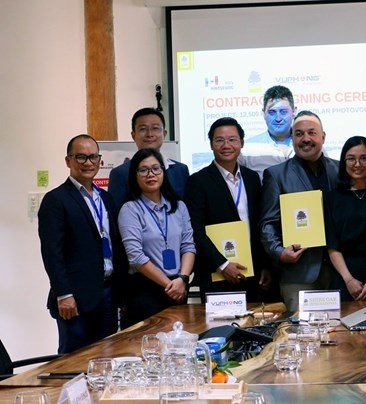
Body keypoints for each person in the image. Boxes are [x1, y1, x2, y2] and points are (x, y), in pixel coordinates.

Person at [38, 134, 125, 354]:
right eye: (81, 157)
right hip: (75, 299)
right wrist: (64, 294)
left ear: (100, 161)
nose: (88, 162)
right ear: (68, 161)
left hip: (107, 293)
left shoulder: (106, 198)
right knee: (73, 361)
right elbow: (52, 253)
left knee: (106, 357)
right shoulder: (56, 200)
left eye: (93, 157)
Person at [184, 117, 274, 303]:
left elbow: (258, 224)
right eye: (219, 140)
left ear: (242, 143)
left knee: (253, 320)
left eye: (232, 139)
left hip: (252, 273)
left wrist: (264, 265)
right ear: (211, 144)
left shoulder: (252, 178)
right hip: (217, 275)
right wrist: (222, 264)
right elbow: (196, 229)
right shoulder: (198, 181)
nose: (226, 145)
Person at [260, 110, 339, 313]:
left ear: (323, 137)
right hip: (299, 274)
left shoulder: (340, 171)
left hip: (340, 272)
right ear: (292, 138)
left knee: (339, 330)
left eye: (312, 133)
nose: (305, 139)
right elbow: (267, 224)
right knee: (300, 330)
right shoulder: (276, 175)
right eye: (299, 134)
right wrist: (280, 253)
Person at [118, 148, 195, 327]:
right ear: (135, 175)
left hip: (179, 285)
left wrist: (183, 279)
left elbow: (188, 246)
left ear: (163, 172)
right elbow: (136, 257)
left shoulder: (179, 207)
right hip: (146, 290)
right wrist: (170, 285)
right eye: (143, 170)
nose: (150, 174)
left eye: (155, 168)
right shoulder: (130, 210)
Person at [324, 136, 366, 302]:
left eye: (364, 158)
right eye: (351, 159)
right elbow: (332, 244)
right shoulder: (332, 197)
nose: (357, 164)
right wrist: (348, 280)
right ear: (343, 162)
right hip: (344, 277)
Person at [108, 107, 189, 207]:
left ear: (164, 134)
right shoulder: (120, 174)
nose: (150, 134)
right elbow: (116, 211)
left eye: (155, 128)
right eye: (143, 129)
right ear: (133, 135)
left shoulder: (181, 170)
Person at [240, 85, 297, 178]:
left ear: (294, 112)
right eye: (272, 112)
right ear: (263, 113)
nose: (278, 118)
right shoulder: (247, 149)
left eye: (283, 112)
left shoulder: (308, 145)